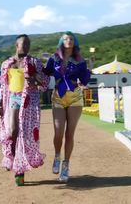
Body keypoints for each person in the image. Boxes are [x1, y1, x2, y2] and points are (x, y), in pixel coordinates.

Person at [0, 34, 49, 186]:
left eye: (29, 44)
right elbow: (3, 87)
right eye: (24, 44)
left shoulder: (35, 62)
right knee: (12, 132)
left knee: (24, 134)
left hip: (29, 100)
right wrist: (0, 105)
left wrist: (35, 78)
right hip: (13, 98)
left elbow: (44, 84)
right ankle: (10, 157)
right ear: (17, 45)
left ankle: (19, 171)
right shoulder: (6, 64)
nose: (27, 46)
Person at [44, 31, 91, 182]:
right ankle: (57, 156)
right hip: (58, 96)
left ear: (74, 41)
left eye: (71, 38)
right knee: (58, 132)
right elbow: (45, 73)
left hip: (75, 96)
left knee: (70, 134)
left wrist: (89, 69)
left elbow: (84, 80)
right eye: (65, 38)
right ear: (61, 42)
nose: (68, 40)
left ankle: (66, 166)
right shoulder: (54, 58)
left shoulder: (80, 60)